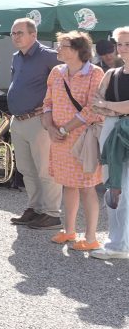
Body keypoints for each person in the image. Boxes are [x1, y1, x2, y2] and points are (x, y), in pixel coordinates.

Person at [41, 31, 105, 250]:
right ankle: (69, 231)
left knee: (87, 187)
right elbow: (47, 102)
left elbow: (94, 109)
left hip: (83, 139)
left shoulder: (95, 73)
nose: (58, 49)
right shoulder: (56, 72)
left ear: (79, 49)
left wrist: (64, 128)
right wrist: (50, 127)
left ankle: (91, 238)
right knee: (68, 185)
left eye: (63, 45)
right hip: (59, 138)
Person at [5, 18, 63, 229]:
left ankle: (52, 213)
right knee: (26, 169)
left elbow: (67, 83)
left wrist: (52, 109)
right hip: (18, 120)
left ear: (34, 35)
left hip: (39, 121)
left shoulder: (49, 56)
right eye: (13, 33)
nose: (15, 36)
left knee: (45, 169)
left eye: (20, 32)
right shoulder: (16, 58)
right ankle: (35, 208)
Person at [91, 26, 129, 260]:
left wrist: (110, 106)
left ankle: (120, 244)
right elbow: (95, 103)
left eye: (128, 44)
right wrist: (116, 107)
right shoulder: (111, 74)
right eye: (121, 44)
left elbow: (106, 105)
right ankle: (117, 243)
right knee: (113, 188)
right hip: (110, 131)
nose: (123, 48)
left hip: (116, 127)